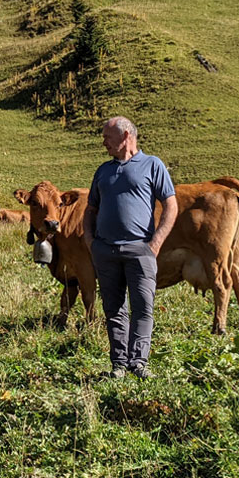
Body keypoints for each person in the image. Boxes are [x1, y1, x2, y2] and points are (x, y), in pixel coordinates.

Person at [82, 117, 177, 379]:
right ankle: (119, 364)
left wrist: (155, 243)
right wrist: (91, 242)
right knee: (113, 309)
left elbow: (171, 205)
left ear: (125, 136)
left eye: (107, 137)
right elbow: (91, 209)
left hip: (140, 250)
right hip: (106, 251)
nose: (103, 142)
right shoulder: (102, 171)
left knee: (143, 307)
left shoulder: (152, 165)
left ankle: (139, 363)